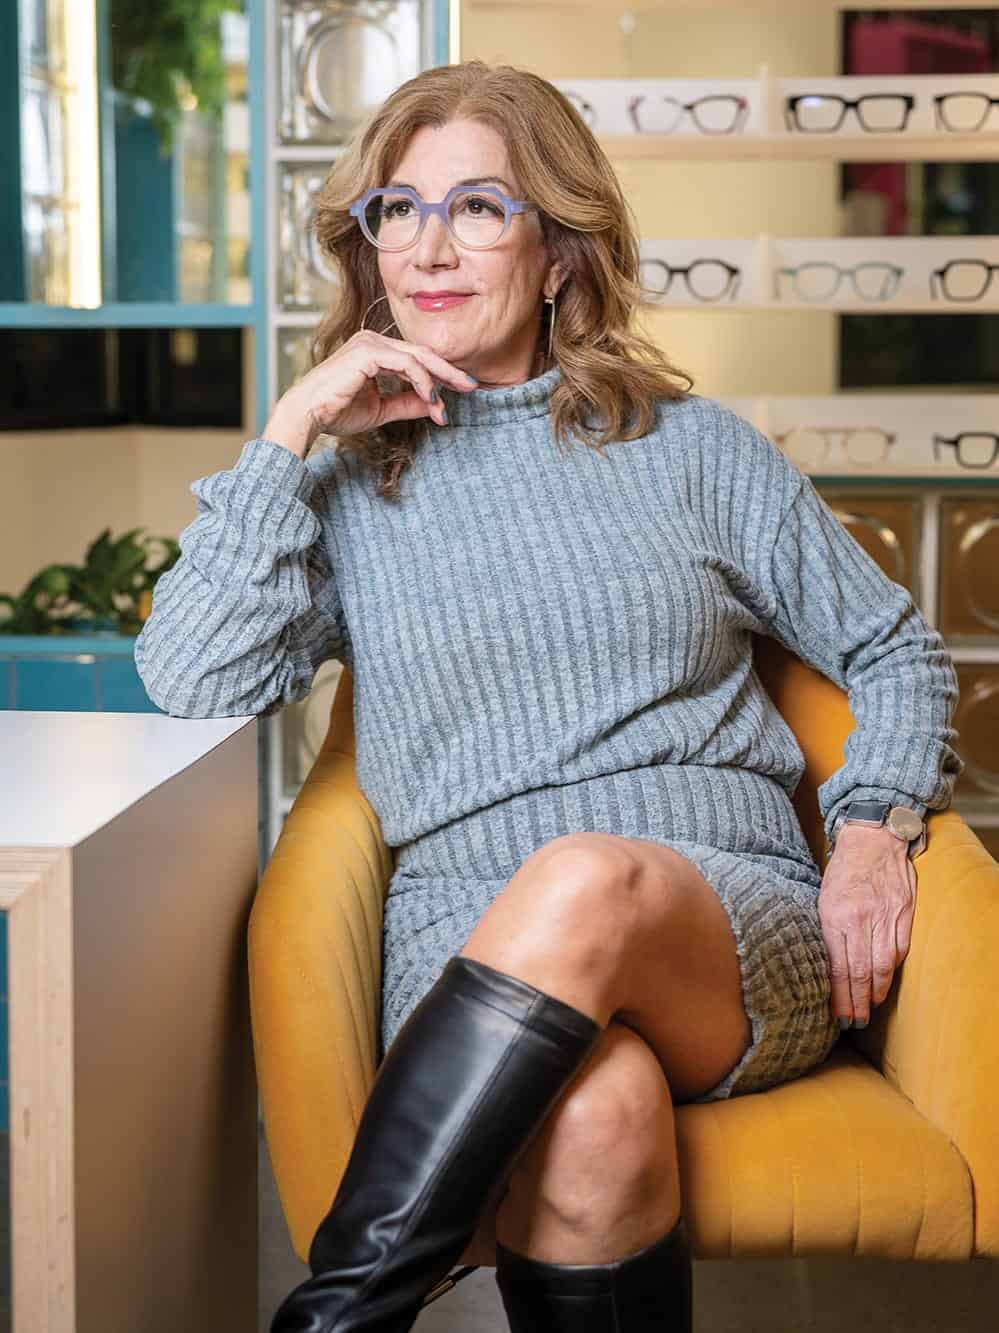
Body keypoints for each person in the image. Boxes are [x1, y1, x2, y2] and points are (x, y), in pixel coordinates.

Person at [133, 59, 964, 1333]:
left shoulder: (690, 452)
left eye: (476, 205)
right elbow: (191, 677)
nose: (428, 244)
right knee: (594, 1123)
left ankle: (338, 1315)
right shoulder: (350, 489)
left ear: (559, 251)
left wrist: (870, 824)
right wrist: (293, 429)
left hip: (722, 932)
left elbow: (897, 651)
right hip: (464, 948)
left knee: (589, 873)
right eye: (397, 211)